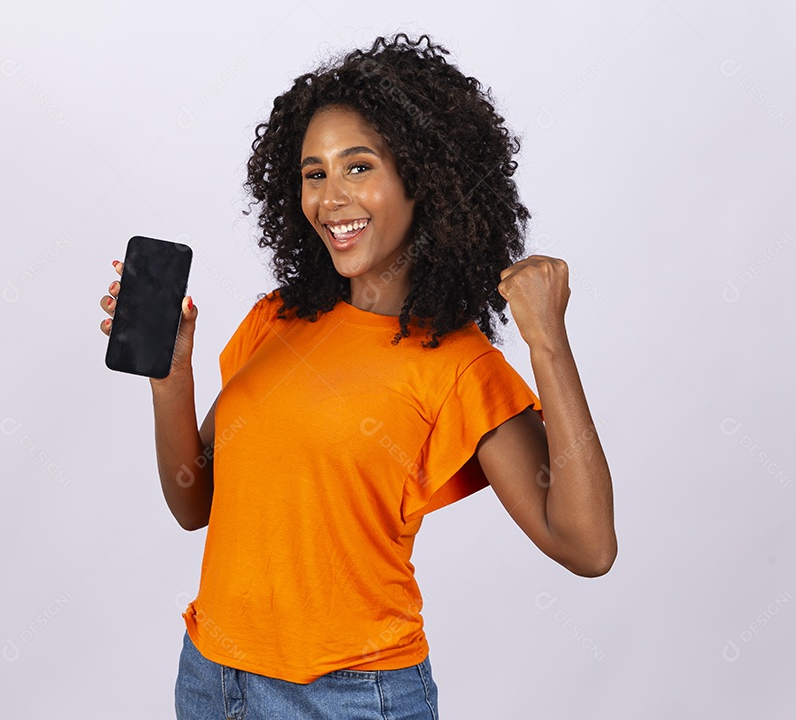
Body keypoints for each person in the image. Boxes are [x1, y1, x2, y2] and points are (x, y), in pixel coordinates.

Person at [99, 33, 615, 720]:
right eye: (314, 174)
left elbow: (587, 546)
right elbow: (195, 507)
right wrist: (171, 377)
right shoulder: (276, 321)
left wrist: (549, 343)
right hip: (211, 680)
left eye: (358, 167)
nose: (331, 198)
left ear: (421, 179)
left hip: (348, 698)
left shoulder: (457, 364)